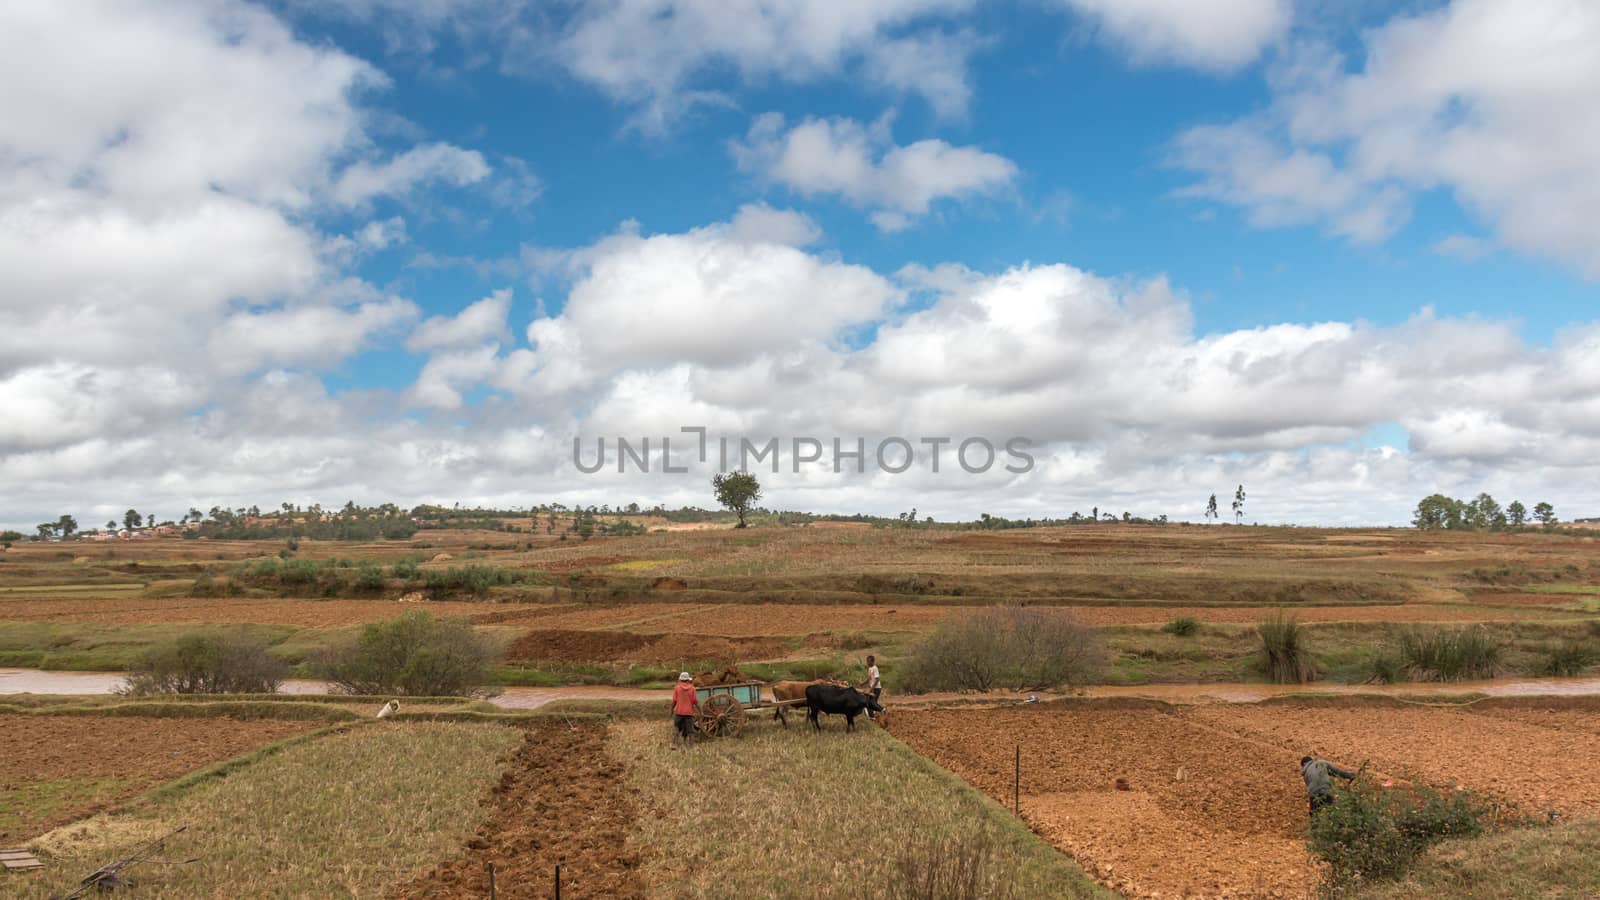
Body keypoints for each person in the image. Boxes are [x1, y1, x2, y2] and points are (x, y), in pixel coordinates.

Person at [671, 671, 699, 749]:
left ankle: (675, 744)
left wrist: (671, 710)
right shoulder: (692, 688)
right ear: (688, 680)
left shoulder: (677, 688)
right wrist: (700, 710)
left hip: (679, 712)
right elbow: (695, 701)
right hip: (689, 713)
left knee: (676, 727)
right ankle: (692, 745)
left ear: (680, 680)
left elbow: (674, 701)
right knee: (690, 730)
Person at [865, 655, 882, 719]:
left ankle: (873, 717)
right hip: (873, 688)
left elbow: (877, 679)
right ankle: (873, 715)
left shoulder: (875, 668)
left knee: (870, 703)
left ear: (872, 662)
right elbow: (869, 679)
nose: (867, 663)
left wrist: (872, 688)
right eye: (867, 661)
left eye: (868, 662)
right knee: (871, 703)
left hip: (876, 689)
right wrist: (863, 683)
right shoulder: (870, 668)